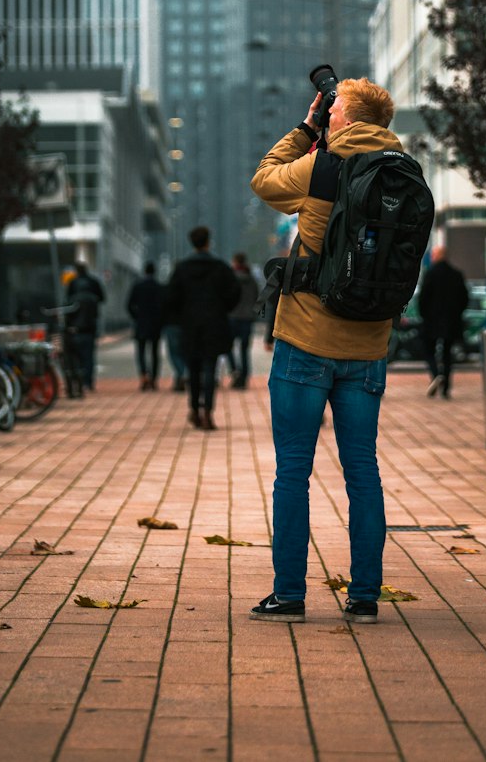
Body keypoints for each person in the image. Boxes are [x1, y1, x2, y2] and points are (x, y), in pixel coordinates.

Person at [248, 76, 399, 626]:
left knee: (294, 471)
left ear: (343, 118)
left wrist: (306, 127)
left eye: (333, 112)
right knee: (362, 470)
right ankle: (363, 597)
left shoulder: (322, 167)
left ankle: (289, 594)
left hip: (307, 342)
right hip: (369, 346)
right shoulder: (403, 173)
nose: (328, 116)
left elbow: (263, 179)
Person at [165, 226, 240, 430]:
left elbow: (171, 297)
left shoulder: (182, 269)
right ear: (208, 241)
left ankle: (194, 410)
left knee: (193, 369)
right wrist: (222, 308)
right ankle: (208, 412)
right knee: (210, 368)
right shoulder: (220, 267)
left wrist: (181, 314)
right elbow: (234, 293)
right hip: (214, 324)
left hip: (189, 325)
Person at [417, 243, 469, 399]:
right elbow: (464, 298)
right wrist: (457, 313)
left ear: (436, 256)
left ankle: (435, 375)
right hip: (452, 321)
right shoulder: (456, 274)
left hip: (432, 321)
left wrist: (424, 315)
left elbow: (423, 298)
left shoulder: (430, 273)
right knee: (447, 354)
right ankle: (446, 388)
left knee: (429, 351)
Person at [65, 258, 106, 391]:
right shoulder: (94, 286)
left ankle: (79, 381)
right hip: (90, 327)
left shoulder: (73, 287)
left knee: (76, 356)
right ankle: (88, 382)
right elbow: (102, 298)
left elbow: (67, 308)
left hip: (76, 328)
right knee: (89, 356)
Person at [126, 261, 165, 390]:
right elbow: (164, 306)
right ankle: (154, 379)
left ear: (144, 271)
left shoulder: (137, 286)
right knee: (154, 352)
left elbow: (129, 305)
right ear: (155, 272)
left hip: (141, 323)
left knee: (141, 352)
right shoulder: (159, 287)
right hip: (155, 324)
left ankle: (143, 376)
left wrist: (136, 317)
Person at [228, 253, 260, 388]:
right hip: (247, 318)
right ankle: (244, 377)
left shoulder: (230, 279)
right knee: (244, 350)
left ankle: (235, 371)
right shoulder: (252, 279)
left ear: (235, 262)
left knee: (227, 347)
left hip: (233, 317)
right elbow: (257, 297)